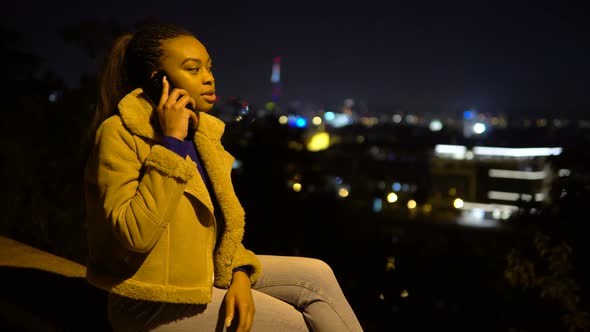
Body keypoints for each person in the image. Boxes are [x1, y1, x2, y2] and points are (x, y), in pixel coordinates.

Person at [83, 21, 363, 332]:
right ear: (157, 80)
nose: (208, 78)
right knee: (294, 325)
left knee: (316, 277)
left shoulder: (202, 134)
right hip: (146, 299)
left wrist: (239, 273)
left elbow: (223, 227)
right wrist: (171, 146)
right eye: (193, 69)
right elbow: (134, 232)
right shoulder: (121, 133)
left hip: (199, 277)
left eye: (209, 67)